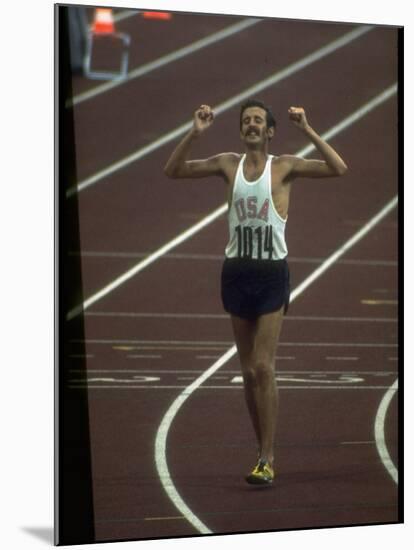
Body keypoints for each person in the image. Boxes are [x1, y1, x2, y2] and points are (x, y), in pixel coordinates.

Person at [164, 100, 348, 485]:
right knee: (248, 373)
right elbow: (174, 170)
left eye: (258, 121)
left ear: (270, 131)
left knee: (264, 367)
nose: (251, 125)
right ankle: (259, 451)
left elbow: (338, 168)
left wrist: (308, 129)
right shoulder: (227, 164)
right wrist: (195, 134)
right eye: (246, 120)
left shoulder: (284, 167)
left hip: (270, 274)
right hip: (236, 272)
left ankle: (268, 456)